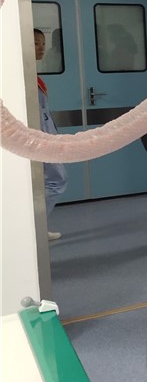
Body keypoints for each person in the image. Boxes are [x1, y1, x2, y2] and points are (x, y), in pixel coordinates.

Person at [33, 28, 67, 240]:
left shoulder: (34, 77)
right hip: (40, 141)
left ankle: (38, 227)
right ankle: (35, 227)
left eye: (43, 43)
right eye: (36, 43)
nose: (41, 48)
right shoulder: (23, 78)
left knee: (49, 181)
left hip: (45, 137)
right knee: (57, 180)